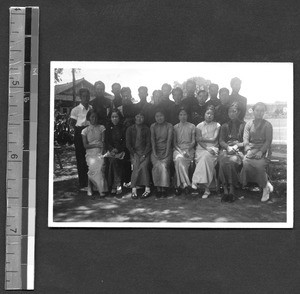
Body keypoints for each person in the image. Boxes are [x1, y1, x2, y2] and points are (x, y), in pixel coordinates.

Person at [240, 102, 273, 202]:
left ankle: (265, 189)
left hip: (264, 150)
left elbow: (268, 141)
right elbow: (245, 139)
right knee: (246, 162)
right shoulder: (248, 124)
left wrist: (261, 152)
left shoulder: (268, 125)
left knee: (259, 165)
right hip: (251, 149)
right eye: (257, 110)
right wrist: (248, 150)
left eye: (262, 111)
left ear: (264, 112)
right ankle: (265, 182)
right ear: (253, 111)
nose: (259, 113)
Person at [218, 103, 245, 202]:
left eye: (234, 111)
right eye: (230, 111)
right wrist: (228, 147)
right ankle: (225, 188)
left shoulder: (244, 125)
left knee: (232, 162)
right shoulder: (224, 126)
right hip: (226, 149)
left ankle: (232, 189)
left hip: (238, 150)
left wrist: (237, 146)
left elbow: (246, 141)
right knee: (223, 161)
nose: (232, 113)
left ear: (239, 112)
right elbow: (221, 141)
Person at [192, 107, 220, 198]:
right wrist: (206, 147)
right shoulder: (198, 126)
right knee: (203, 158)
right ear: (204, 114)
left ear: (214, 116)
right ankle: (207, 190)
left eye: (211, 114)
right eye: (207, 113)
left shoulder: (217, 125)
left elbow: (214, 139)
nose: (209, 115)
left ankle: (195, 180)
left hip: (213, 148)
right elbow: (198, 141)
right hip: (201, 148)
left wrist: (202, 139)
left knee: (205, 158)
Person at [69, 88, 92, 191]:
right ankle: (83, 184)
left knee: (90, 158)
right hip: (79, 133)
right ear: (80, 97)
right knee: (81, 159)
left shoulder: (91, 108)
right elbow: (72, 124)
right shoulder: (76, 110)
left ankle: (91, 182)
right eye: (84, 96)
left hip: (90, 133)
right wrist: (80, 133)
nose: (86, 98)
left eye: (87, 96)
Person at [81, 109, 108, 196]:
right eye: (92, 117)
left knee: (100, 167)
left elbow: (103, 142)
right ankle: (90, 187)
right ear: (89, 118)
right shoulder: (85, 131)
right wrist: (96, 146)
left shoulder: (101, 128)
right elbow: (85, 145)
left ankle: (101, 189)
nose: (94, 119)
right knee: (92, 168)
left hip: (100, 152)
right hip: (90, 153)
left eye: (96, 117)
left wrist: (102, 152)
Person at [126, 112, 152, 199]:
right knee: (136, 166)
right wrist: (134, 154)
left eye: (141, 117)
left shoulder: (147, 129)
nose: (139, 118)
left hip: (145, 153)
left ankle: (147, 188)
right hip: (135, 153)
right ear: (135, 118)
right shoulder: (130, 129)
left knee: (144, 166)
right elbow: (128, 144)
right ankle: (134, 190)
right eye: (137, 116)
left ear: (144, 119)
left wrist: (144, 155)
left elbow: (149, 144)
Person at [150, 109, 173, 198]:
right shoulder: (153, 126)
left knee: (164, 165)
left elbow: (169, 140)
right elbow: (152, 140)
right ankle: (158, 187)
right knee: (156, 165)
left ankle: (164, 188)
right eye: (157, 116)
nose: (159, 118)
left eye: (161, 116)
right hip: (155, 150)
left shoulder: (169, 126)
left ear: (164, 116)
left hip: (167, 149)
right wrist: (155, 153)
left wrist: (166, 153)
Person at [173, 107, 196, 195]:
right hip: (178, 149)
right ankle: (186, 184)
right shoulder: (175, 127)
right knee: (179, 159)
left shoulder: (192, 126)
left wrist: (187, 150)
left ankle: (179, 185)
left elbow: (193, 141)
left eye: (185, 114)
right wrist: (181, 151)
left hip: (189, 148)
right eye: (181, 115)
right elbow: (174, 143)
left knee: (180, 162)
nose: (183, 116)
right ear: (178, 116)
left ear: (187, 116)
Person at [105, 109, 126, 197]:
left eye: (116, 117)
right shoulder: (108, 128)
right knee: (112, 160)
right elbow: (106, 141)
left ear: (119, 117)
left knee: (114, 161)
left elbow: (125, 142)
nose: (114, 119)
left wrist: (117, 149)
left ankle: (114, 185)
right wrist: (111, 149)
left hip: (121, 151)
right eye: (112, 117)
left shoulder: (123, 128)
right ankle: (117, 184)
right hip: (111, 151)